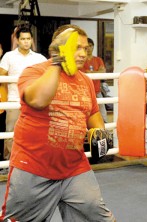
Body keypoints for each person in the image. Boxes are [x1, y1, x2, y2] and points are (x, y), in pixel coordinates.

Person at [0, 24, 115, 221]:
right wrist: (56, 63)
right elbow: (38, 100)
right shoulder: (34, 72)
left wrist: (99, 133)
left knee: (99, 217)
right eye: (76, 47)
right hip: (34, 168)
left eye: (85, 49)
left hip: (74, 168)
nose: (83, 54)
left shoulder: (85, 81)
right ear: (60, 47)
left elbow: (93, 114)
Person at [0, 26, 47, 160]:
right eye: (23, 39)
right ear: (18, 40)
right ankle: (9, 163)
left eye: (28, 39)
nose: (26, 42)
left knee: (34, 132)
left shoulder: (39, 58)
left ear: (31, 40)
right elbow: (1, 74)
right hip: (14, 100)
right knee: (11, 132)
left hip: (34, 101)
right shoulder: (9, 56)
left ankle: (32, 161)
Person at [82, 38, 108, 123]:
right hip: (85, 92)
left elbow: (103, 72)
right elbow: (84, 73)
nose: (89, 48)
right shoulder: (81, 60)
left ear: (93, 47)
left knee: (103, 114)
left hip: (97, 91)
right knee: (85, 114)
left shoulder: (98, 60)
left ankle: (104, 133)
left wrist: (91, 72)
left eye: (90, 46)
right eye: (86, 47)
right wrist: (97, 72)